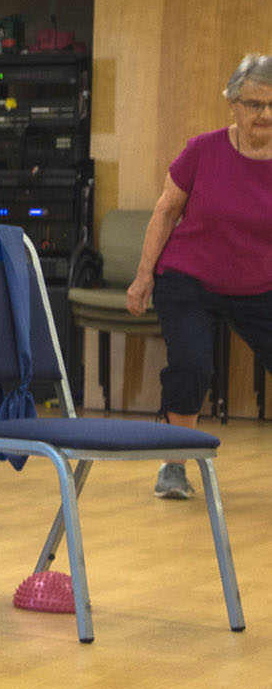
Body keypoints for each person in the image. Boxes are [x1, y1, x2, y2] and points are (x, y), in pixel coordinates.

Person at [125, 52, 272, 499]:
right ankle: (174, 465)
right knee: (192, 364)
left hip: (259, 284)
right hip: (190, 278)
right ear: (232, 102)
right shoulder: (203, 150)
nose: (265, 115)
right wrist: (143, 275)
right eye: (254, 104)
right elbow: (167, 209)